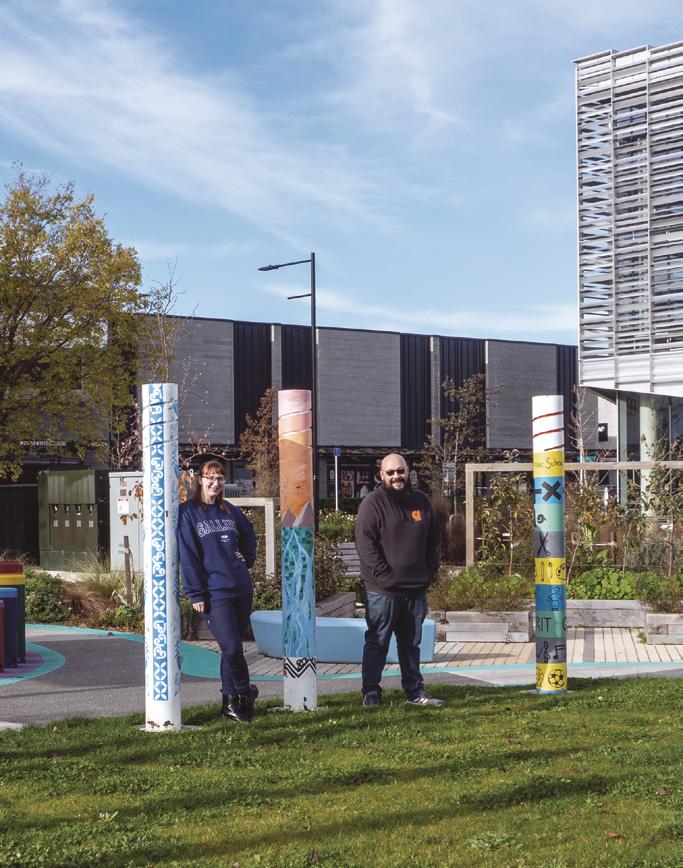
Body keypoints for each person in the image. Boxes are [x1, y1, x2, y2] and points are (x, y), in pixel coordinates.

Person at [355, 452, 444, 708]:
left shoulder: (422, 502)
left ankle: (415, 691)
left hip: (415, 590)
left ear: (408, 471)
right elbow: (365, 543)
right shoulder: (372, 504)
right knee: (378, 642)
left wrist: (429, 571)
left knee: (411, 645)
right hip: (382, 591)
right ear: (381, 475)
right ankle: (371, 692)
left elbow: (435, 540)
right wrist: (384, 575)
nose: (396, 476)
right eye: (390, 472)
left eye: (400, 471)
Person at [177, 459, 258, 723]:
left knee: (231, 648)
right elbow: (188, 556)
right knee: (231, 647)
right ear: (200, 480)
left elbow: (249, 535)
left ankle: (230, 704)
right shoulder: (188, 513)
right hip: (214, 592)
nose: (215, 483)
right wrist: (195, 593)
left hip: (240, 587)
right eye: (210, 478)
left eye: (220, 478)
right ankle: (245, 692)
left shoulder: (229, 510)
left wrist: (246, 558)